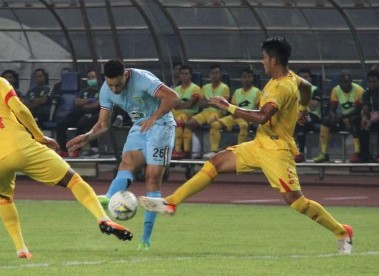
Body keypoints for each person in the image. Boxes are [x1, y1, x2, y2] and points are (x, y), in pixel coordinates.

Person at [139, 37, 353, 255]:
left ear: (274, 60)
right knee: (215, 163)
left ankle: (342, 231)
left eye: (264, 59)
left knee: (297, 203)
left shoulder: (282, 87)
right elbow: (306, 86)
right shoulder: (291, 77)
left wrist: (229, 107)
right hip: (259, 144)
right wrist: (303, 109)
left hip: (277, 151)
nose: (262, 62)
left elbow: (261, 117)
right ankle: (171, 202)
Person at [0, 53, 132, 259]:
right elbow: (20, 109)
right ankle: (102, 218)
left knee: (5, 199)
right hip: (22, 146)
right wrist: (39, 136)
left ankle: (21, 249)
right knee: (73, 180)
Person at [66, 59, 178, 251]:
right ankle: (110, 197)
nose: (115, 89)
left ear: (125, 75)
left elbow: (172, 97)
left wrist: (154, 117)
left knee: (152, 179)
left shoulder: (142, 79)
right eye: (111, 85)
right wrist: (87, 137)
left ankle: (145, 239)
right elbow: (103, 124)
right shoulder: (105, 90)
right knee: (126, 163)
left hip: (162, 126)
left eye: (118, 84)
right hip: (139, 127)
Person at [203, 68, 261, 159]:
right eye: (244, 77)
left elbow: (259, 107)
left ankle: (240, 152)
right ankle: (214, 151)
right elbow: (232, 106)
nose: (246, 79)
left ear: (252, 78)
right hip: (234, 116)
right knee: (215, 124)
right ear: (241, 79)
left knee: (243, 126)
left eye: (249, 77)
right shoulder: (237, 92)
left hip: (247, 117)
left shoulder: (257, 92)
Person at [313, 72, 364, 163]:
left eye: (347, 82)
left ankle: (357, 153)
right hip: (343, 119)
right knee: (326, 121)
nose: (345, 84)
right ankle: (324, 153)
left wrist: (341, 116)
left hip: (357, 119)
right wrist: (333, 115)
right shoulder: (336, 90)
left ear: (351, 82)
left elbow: (358, 110)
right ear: (339, 83)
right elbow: (332, 108)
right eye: (342, 83)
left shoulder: (358, 90)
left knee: (353, 119)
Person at [184, 64, 230, 160]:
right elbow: (201, 104)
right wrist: (214, 102)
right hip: (205, 112)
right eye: (212, 73)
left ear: (221, 74)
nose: (214, 76)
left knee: (213, 122)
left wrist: (208, 102)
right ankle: (187, 152)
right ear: (209, 75)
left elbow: (223, 105)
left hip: (218, 113)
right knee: (189, 124)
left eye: (217, 73)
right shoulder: (205, 87)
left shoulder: (225, 88)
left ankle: (214, 151)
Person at [56, 70, 101, 157]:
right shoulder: (83, 91)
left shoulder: (102, 91)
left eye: (93, 77)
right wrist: (88, 101)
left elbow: (96, 105)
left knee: (82, 123)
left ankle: (76, 149)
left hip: (91, 114)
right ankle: (63, 150)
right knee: (61, 124)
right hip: (77, 112)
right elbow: (76, 102)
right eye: (89, 77)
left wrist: (83, 104)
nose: (90, 79)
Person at [171, 65, 202, 159]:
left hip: (189, 114)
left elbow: (190, 105)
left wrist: (179, 105)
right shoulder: (176, 89)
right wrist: (181, 105)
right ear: (179, 75)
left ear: (190, 75)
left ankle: (179, 150)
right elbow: (173, 105)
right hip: (175, 114)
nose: (184, 76)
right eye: (182, 74)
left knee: (179, 122)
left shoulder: (196, 88)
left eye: (186, 74)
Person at [293, 68, 322, 163]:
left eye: (306, 77)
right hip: (296, 115)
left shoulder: (315, 90)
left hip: (312, 116)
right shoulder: (293, 90)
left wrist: (301, 100)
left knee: (301, 120)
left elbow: (313, 105)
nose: (304, 79)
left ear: (310, 79)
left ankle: (300, 152)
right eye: (301, 77)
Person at [359, 69, 379, 162]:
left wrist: (372, 121)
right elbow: (365, 108)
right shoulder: (367, 93)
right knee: (360, 126)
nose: (372, 84)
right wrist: (364, 119)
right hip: (373, 120)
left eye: (374, 81)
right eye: (369, 82)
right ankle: (364, 156)